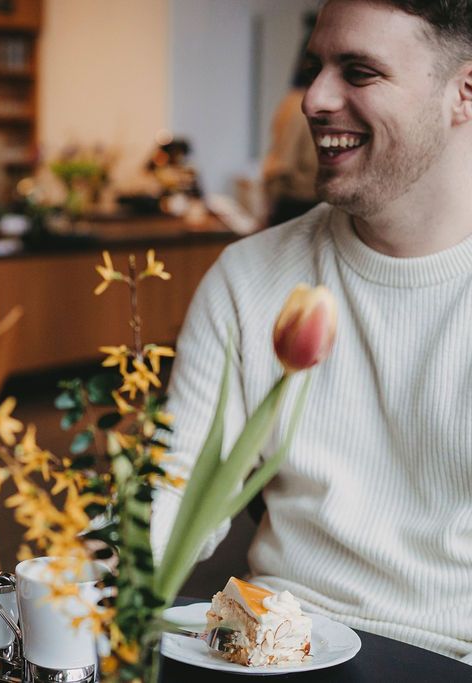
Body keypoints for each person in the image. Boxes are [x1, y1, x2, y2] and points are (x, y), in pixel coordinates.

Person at [154, 0, 472, 665]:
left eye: (358, 71)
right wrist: (73, 576)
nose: (315, 98)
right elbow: (176, 486)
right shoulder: (249, 274)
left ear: (463, 92)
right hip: (276, 645)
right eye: (315, 67)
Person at [261, 14, 319, 227]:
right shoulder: (299, 104)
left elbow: (280, 165)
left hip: (296, 207)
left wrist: (265, 211)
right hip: (307, 207)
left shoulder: (294, 104)